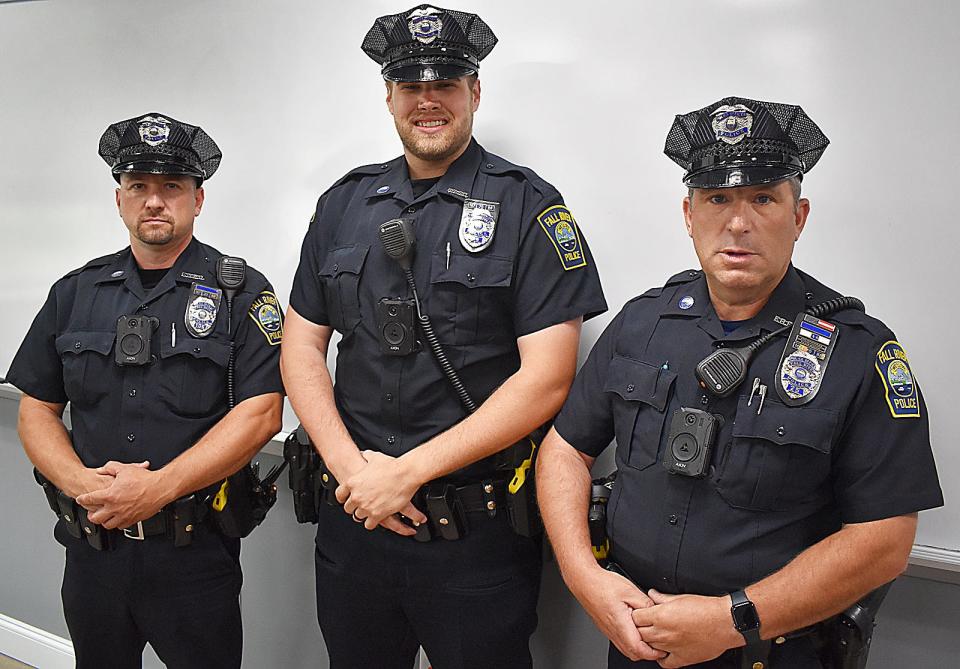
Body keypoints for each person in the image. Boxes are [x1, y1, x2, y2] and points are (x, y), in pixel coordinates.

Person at [536, 96, 943, 668]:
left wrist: (733, 620)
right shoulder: (643, 324)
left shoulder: (859, 351)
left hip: (770, 654)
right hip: (635, 642)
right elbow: (565, 449)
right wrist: (586, 580)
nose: (737, 222)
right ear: (688, 214)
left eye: (763, 199)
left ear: (798, 217)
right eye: (718, 199)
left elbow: (884, 540)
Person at [280, 5, 607, 668]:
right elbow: (301, 345)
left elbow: (547, 376)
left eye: (447, 82)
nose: (428, 100)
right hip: (355, 522)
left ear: (475, 92)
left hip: (473, 539)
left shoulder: (528, 207)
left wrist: (408, 472)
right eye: (410, 86)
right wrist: (352, 470)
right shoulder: (343, 205)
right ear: (390, 97)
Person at [6, 112, 284, 669]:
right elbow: (37, 407)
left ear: (197, 200)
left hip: (193, 553)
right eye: (139, 187)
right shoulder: (76, 290)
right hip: (92, 546)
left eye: (172, 187)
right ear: (119, 199)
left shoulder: (240, 291)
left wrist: (157, 489)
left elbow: (261, 414)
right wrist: (81, 484)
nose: (154, 201)